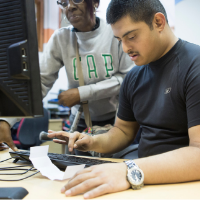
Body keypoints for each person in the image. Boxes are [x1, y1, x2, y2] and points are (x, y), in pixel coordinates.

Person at [47, 0, 200, 199]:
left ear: (159, 23)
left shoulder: (194, 66)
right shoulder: (134, 77)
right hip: (143, 178)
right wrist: (91, 141)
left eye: (131, 37)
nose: (126, 48)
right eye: (119, 40)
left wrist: (128, 170)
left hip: (184, 185)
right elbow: (123, 131)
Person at [0, 0, 134, 151]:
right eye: (63, 2)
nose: (70, 6)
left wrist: (81, 93)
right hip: (79, 124)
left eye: (76, 0)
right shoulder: (61, 38)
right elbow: (40, 82)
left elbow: (126, 79)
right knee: (76, 171)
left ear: (95, 3)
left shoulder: (114, 33)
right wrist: (6, 120)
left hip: (117, 123)